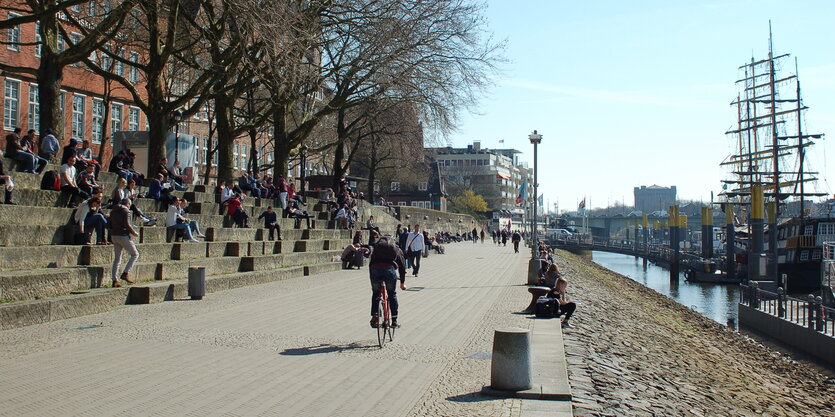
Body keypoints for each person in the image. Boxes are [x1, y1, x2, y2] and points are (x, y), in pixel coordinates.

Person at [368, 236, 407, 328]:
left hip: (375, 269)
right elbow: (402, 266)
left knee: (376, 293)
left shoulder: (377, 247)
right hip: (389, 270)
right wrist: (402, 283)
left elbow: (371, 262)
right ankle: (394, 321)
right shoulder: (396, 249)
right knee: (392, 294)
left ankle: (375, 315)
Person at [109, 198, 139, 287]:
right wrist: (133, 232)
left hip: (114, 235)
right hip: (123, 235)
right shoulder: (126, 211)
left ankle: (114, 280)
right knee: (135, 254)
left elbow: (109, 224)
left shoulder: (112, 211)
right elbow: (127, 224)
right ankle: (125, 273)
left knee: (117, 259)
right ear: (127, 204)